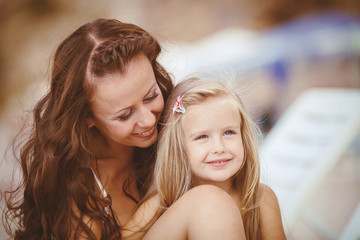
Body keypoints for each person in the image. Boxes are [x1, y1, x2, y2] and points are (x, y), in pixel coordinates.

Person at [3, 19, 246, 240]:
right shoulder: (75, 183)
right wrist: (164, 193)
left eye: (151, 96)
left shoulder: (177, 126)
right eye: (125, 115)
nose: (148, 121)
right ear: (88, 118)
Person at [123, 76, 286, 240]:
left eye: (229, 132)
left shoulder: (261, 200)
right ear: (178, 147)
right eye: (202, 137)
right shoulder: (162, 203)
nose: (219, 148)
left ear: (244, 137)